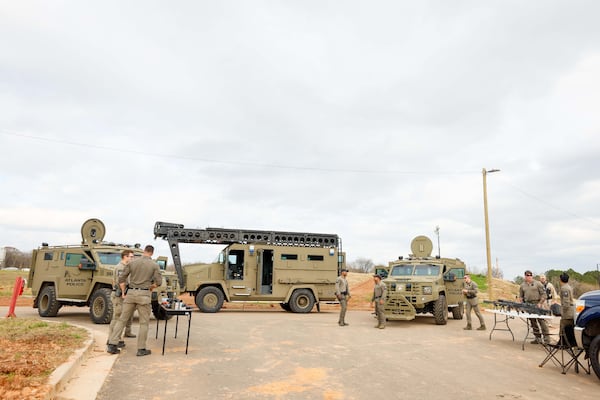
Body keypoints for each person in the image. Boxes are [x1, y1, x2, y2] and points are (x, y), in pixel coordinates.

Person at [107, 245, 162, 356]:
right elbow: (159, 282)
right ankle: (141, 349)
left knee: (122, 319)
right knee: (144, 323)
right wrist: (152, 287)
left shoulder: (132, 263)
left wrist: (123, 292)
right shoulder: (154, 265)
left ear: (143, 251)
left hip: (130, 294)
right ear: (151, 253)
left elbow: (121, 279)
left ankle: (112, 344)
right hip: (144, 295)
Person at [107, 250, 136, 350]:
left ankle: (116, 338)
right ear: (125, 257)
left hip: (120, 294)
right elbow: (121, 281)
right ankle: (112, 339)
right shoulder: (120, 267)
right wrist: (123, 292)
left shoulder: (125, 267)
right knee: (117, 317)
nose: (132, 258)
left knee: (120, 318)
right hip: (119, 295)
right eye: (131, 257)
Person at [518, 270, 550, 344]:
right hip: (528, 305)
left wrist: (540, 303)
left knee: (542, 322)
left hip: (537, 304)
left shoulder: (538, 284)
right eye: (527, 275)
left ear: (532, 276)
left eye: (530, 275)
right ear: (525, 276)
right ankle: (538, 338)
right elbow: (521, 296)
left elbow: (544, 295)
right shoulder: (522, 285)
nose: (528, 277)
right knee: (533, 322)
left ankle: (547, 340)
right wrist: (522, 303)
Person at [558, 272, 575, 339]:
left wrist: (562, 312)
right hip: (570, 311)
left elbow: (566, 302)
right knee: (569, 329)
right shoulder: (568, 287)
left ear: (561, 280)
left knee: (563, 329)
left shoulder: (564, 288)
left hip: (567, 313)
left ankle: (563, 343)